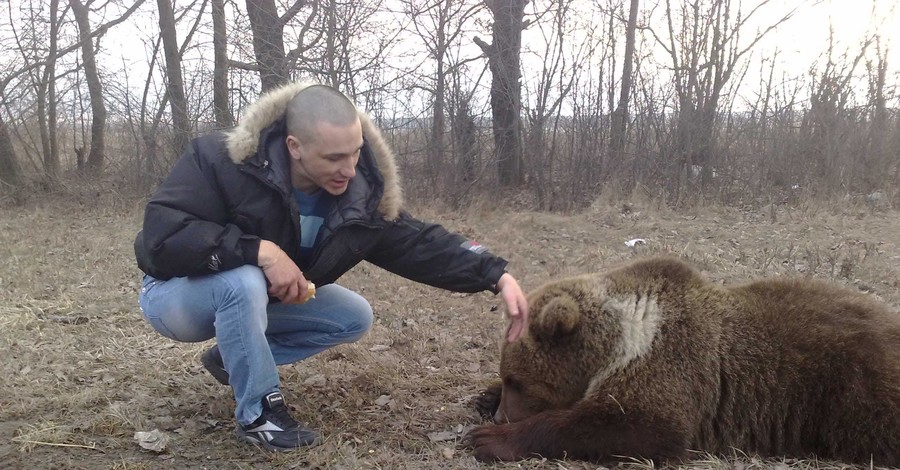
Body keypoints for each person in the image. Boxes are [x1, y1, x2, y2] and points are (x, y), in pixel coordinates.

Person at [133, 81, 529, 452]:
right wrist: (261, 252)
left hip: (254, 301)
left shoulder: (358, 199)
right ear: (294, 146)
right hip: (175, 296)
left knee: (352, 316)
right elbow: (161, 238)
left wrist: (495, 274)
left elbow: (419, 242)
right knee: (245, 280)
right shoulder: (222, 160)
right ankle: (259, 416)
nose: (350, 169)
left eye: (356, 152)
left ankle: (233, 356)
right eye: (335, 158)